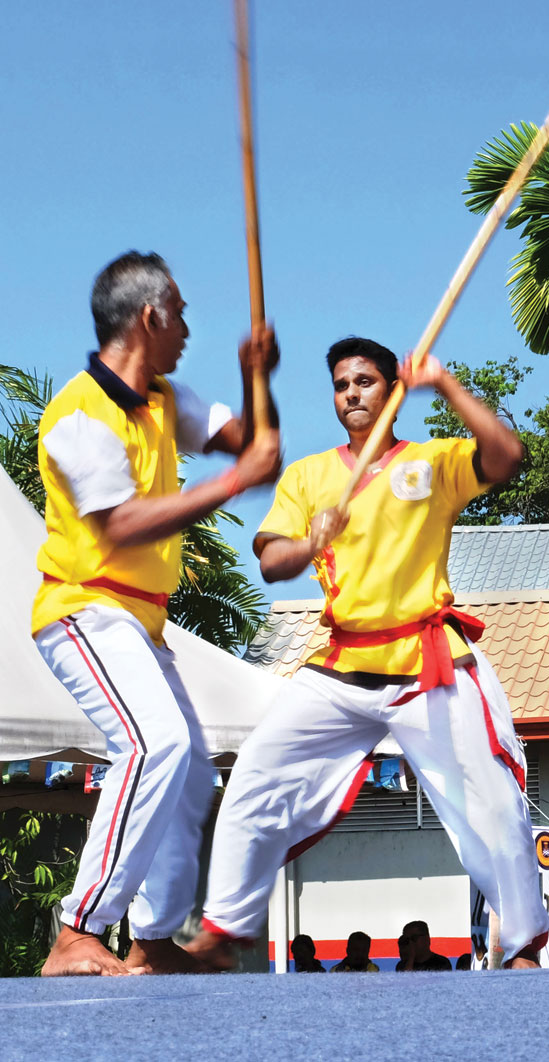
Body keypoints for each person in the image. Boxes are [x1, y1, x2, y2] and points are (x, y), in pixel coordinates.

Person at [187, 335, 549, 971]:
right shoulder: (310, 476)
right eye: (341, 385)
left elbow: (507, 455)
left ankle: (520, 946)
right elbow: (273, 561)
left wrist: (446, 385)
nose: (352, 394)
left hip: (428, 660)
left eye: (366, 382)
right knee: (255, 772)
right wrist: (311, 542)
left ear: (394, 392)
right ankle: (223, 930)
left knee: (491, 797)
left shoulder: (432, 462)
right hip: (343, 663)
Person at [32, 251, 280, 976]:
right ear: (150, 316)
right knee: (154, 745)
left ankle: (152, 940)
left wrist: (255, 374)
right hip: (83, 609)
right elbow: (122, 524)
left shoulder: (167, 398)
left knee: (192, 772)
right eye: (180, 312)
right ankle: (78, 930)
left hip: (139, 623)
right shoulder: (80, 412)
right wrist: (236, 479)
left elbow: (255, 445)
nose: (187, 328)